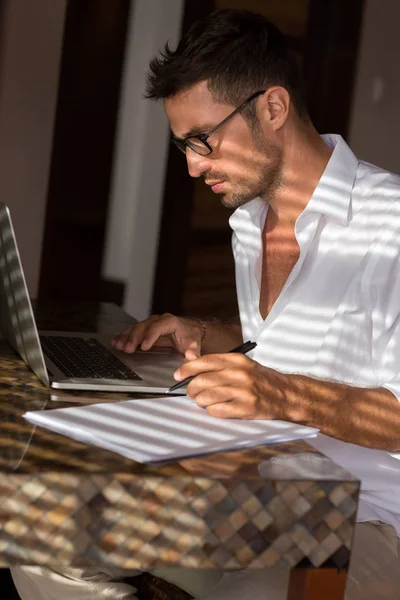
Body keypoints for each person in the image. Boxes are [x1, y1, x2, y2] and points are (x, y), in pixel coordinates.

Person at [11, 8, 400, 600]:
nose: (192, 165)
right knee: (42, 539)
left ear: (273, 108)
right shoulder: (251, 219)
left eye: (203, 140)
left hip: (371, 515)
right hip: (262, 483)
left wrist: (278, 393)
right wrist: (209, 333)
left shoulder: (389, 224)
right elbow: (294, 337)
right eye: (182, 146)